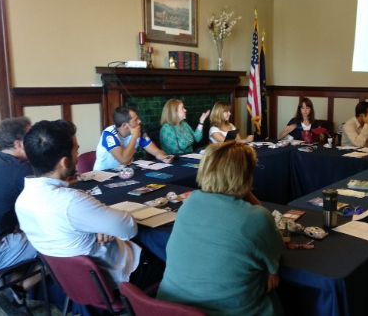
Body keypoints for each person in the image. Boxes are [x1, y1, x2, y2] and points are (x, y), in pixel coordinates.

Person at [157, 141, 283, 315]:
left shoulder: (189, 202)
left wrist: (240, 188)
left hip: (170, 310)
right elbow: (274, 260)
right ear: (247, 176)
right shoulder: (257, 218)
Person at [16, 120, 141, 284]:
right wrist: (101, 226)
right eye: (76, 151)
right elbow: (129, 227)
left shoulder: (22, 200)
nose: (77, 156)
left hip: (69, 280)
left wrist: (96, 226)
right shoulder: (71, 202)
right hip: (113, 277)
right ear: (64, 162)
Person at [0, 117, 37, 274]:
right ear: (18, 144)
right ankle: (23, 286)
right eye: (32, 138)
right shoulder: (22, 170)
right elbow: (50, 203)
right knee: (57, 237)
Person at [94, 106, 173, 171]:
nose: (139, 121)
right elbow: (124, 160)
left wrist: (163, 156)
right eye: (135, 120)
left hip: (123, 173)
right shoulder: (109, 135)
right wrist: (134, 137)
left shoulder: (139, 132)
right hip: (102, 176)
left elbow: (156, 151)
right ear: (125, 125)